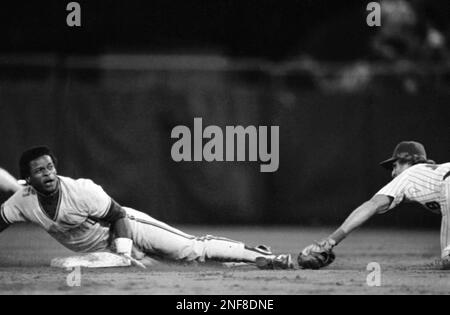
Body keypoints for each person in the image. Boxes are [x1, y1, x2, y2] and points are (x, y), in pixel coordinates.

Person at [0, 146, 293, 269]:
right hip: (104, 251)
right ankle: (244, 262)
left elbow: (117, 216)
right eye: (40, 171)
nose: (49, 174)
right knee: (188, 264)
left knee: (190, 250)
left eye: (51, 167)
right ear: (28, 177)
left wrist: (123, 253)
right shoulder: (22, 202)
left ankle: (262, 254)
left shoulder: (81, 190)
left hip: (130, 229)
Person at [298, 141, 450, 269]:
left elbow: (371, 206)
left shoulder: (408, 174)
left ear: (408, 162)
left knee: (447, 259)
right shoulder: (429, 176)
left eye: (394, 165)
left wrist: (331, 240)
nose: (392, 173)